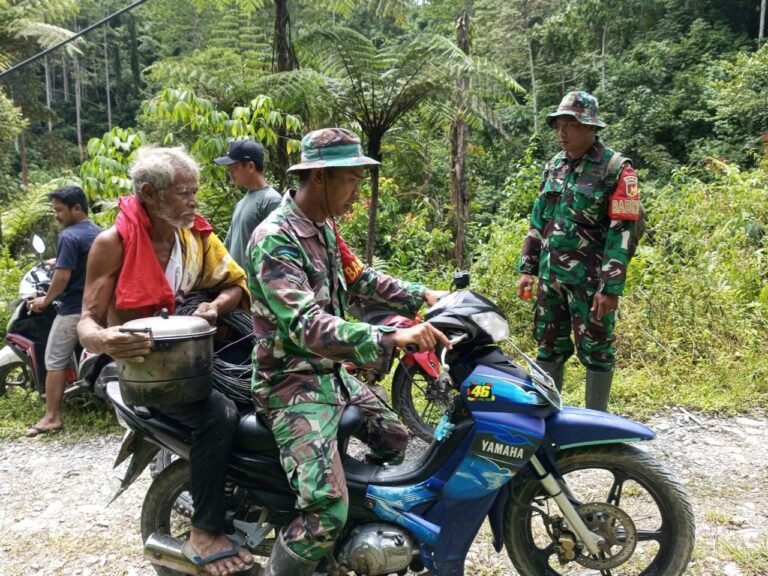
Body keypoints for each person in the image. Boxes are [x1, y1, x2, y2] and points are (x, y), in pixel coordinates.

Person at [247, 127, 450, 576]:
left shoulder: (323, 227)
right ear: (319, 178)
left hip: (331, 376)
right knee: (326, 512)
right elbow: (306, 325)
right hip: (292, 384)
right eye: (351, 179)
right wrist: (387, 337)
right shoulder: (275, 238)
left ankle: (356, 544)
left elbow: (361, 279)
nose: (357, 190)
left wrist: (424, 296)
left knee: (397, 439)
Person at [77, 146, 253, 576]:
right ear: (150, 194)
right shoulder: (111, 244)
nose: (193, 201)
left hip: (186, 356)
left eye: (195, 192)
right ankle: (205, 531)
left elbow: (234, 286)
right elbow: (86, 323)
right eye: (183, 193)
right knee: (219, 413)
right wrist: (105, 339)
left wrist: (214, 308)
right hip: (136, 368)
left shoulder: (195, 237)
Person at [517, 91, 641, 411]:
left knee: (597, 350)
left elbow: (622, 232)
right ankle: (544, 422)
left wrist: (610, 287)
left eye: (571, 124)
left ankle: (595, 426)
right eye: (558, 124)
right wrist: (528, 268)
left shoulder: (616, 168)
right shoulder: (554, 165)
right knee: (548, 347)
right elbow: (538, 220)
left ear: (591, 127)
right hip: (550, 278)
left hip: (591, 282)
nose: (562, 133)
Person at [25, 185, 102, 437]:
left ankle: (51, 417)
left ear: (76, 208)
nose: (57, 215)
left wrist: (44, 301)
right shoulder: (99, 233)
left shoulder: (68, 236)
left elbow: (61, 278)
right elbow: (85, 263)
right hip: (99, 306)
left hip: (73, 310)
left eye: (59, 210)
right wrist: (56, 261)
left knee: (55, 360)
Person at [214, 139, 282, 269]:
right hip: (237, 286)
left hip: (255, 287)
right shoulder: (240, 204)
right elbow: (227, 246)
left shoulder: (271, 200)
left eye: (234, 167)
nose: (230, 172)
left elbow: (275, 253)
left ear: (251, 166)